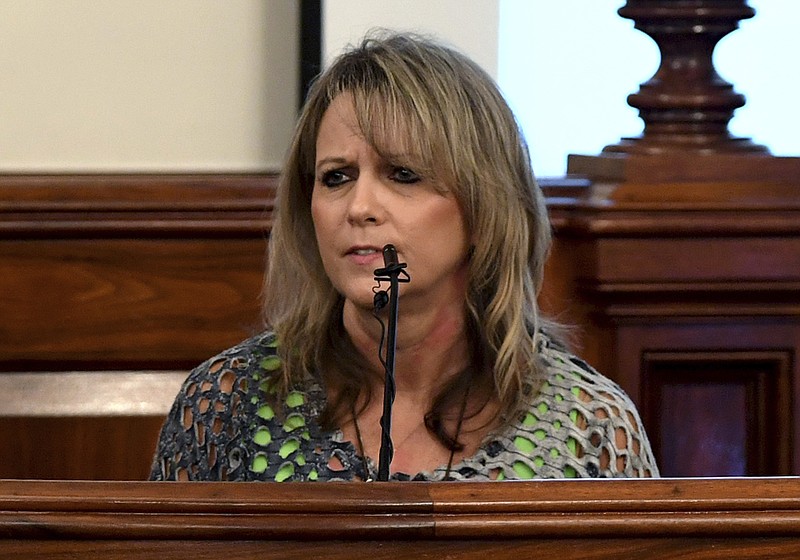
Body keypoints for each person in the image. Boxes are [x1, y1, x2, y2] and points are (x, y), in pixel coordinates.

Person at [149, 32, 659, 482]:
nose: (360, 207)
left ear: (484, 209)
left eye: (403, 174)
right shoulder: (227, 404)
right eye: (336, 177)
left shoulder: (589, 425)